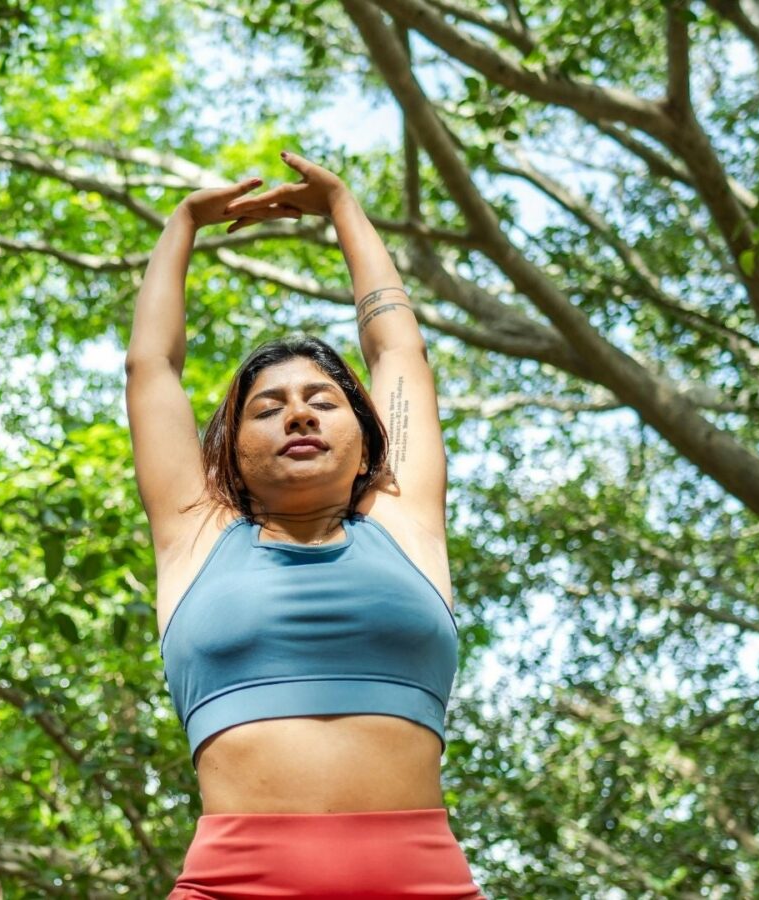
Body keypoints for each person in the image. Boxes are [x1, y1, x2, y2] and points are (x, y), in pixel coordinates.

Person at [124, 150, 487, 898]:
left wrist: (345, 208)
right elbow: (151, 367)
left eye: (323, 401)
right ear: (232, 451)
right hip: (234, 884)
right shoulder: (196, 537)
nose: (298, 413)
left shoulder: (403, 520)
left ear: (364, 444)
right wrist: (183, 224)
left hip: (422, 884)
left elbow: (396, 349)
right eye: (268, 406)